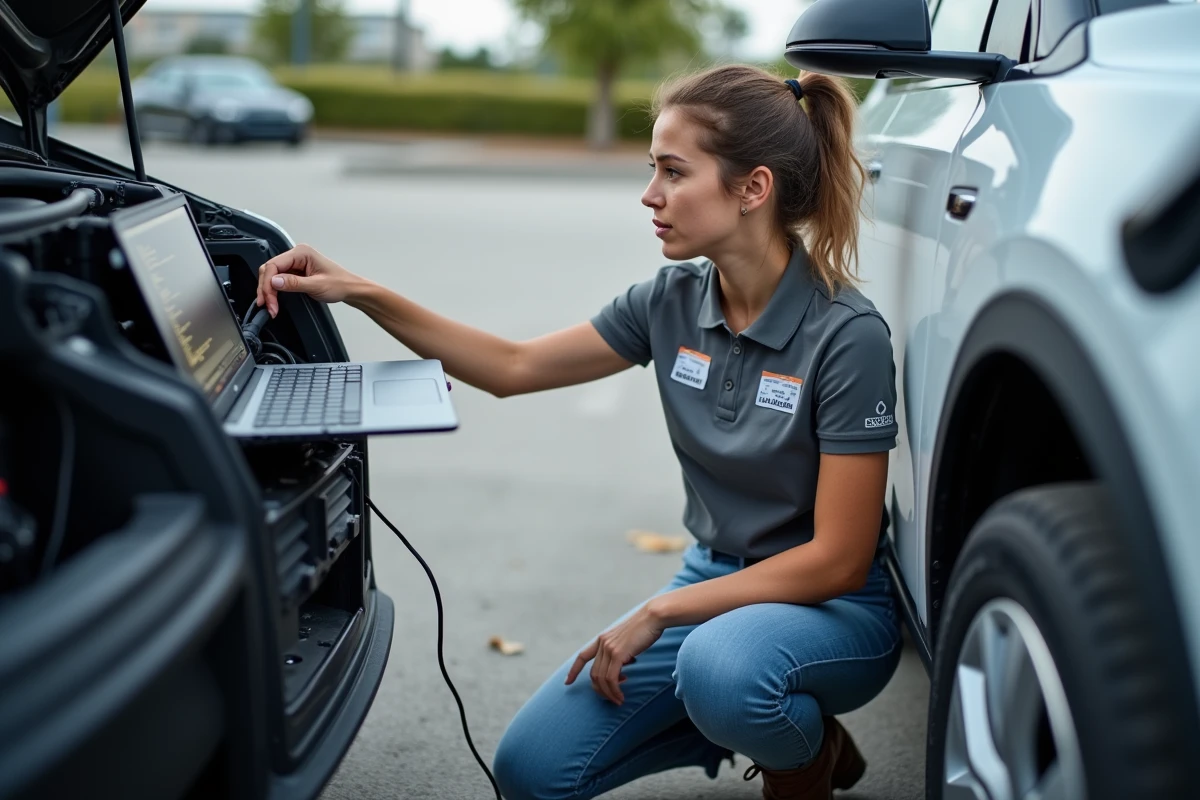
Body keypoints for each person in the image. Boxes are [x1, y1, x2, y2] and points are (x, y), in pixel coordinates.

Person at [256, 64, 902, 800]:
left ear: (752, 188)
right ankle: (764, 716)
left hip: (831, 610)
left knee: (723, 668)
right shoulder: (669, 301)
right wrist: (361, 291)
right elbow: (512, 365)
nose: (649, 195)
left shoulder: (846, 335)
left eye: (672, 171)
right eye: (651, 169)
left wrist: (661, 610)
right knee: (532, 773)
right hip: (716, 584)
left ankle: (796, 750)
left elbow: (840, 562)